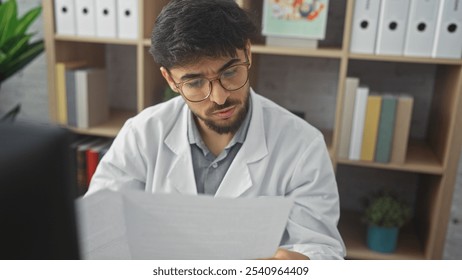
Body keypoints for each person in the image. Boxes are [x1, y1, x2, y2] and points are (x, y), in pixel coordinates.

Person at [87, 0, 345, 260]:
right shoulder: (141, 134)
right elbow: (101, 232)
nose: (219, 97)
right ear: (170, 79)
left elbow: (323, 248)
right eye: (196, 82)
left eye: (230, 72)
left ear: (248, 53)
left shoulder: (303, 145)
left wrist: (303, 262)